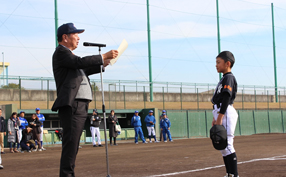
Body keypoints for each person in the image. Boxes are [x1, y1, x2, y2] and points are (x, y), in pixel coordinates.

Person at [51, 22, 118, 177]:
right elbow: (79, 63)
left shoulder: (70, 56)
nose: (78, 37)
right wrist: (102, 56)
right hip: (72, 104)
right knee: (71, 144)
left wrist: (104, 64)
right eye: (76, 34)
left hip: (80, 104)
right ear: (65, 37)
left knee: (74, 145)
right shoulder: (61, 52)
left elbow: (83, 68)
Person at [211, 51, 239, 177]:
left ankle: (234, 174)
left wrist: (220, 117)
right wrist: (215, 117)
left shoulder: (229, 77)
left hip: (225, 111)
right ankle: (229, 174)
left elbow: (226, 98)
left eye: (218, 62)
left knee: (227, 144)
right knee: (222, 145)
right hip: (221, 111)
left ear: (227, 63)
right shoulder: (224, 78)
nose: (216, 65)